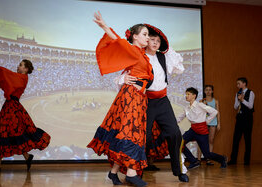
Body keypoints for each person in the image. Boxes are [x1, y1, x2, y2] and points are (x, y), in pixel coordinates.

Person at [87, 12, 152, 186]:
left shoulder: (142, 54)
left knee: (127, 134)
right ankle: (131, 173)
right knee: (131, 133)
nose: (148, 37)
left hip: (137, 99)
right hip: (131, 98)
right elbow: (117, 40)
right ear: (135, 37)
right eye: (144, 34)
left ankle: (113, 172)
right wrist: (104, 26)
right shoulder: (133, 49)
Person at [118, 24, 188, 182]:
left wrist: (168, 49)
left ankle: (179, 170)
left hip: (163, 101)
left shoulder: (164, 57)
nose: (155, 42)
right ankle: (136, 173)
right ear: (145, 41)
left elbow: (180, 68)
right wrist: (124, 79)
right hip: (145, 101)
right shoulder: (138, 56)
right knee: (143, 138)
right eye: (151, 39)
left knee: (175, 133)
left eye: (158, 40)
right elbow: (121, 76)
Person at [0, 60, 51, 173]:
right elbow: (8, 75)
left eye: (21, 65)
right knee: (9, 134)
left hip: (12, 108)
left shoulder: (22, 78)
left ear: (26, 69)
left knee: (3, 132)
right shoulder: (20, 77)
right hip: (10, 107)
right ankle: (23, 158)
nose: (18, 66)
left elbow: (8, 74)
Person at [177, 87, 227, 169]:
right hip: (192, 130)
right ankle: (194, 161)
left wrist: (206, 121)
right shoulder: (186, 108)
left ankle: (222, 159)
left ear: (194, 96)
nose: (186, 96)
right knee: (180, 143)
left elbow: (214, 112)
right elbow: (179, 118)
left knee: (207, 154)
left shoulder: (200, 105)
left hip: (202, 131)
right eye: (186, 94)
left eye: (188, 94)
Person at [228, 77, 255, 165]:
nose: (237, 85)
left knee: (247, 139)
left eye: (239, 83)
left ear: (244, 83)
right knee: (236, 139)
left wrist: (243, 100)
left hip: (247, 118)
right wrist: (238, 100)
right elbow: (235, 107)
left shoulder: (251, 93)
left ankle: (247, 161)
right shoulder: (237, 93)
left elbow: (250, 106)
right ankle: (233, 160)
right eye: (237, 84)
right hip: (239, 118)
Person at [198, 85, 221, 165]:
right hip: (203, 122)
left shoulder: (216, 101)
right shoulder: (201, 101)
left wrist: (219, 123)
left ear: (212, 91)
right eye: (206, 90)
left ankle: (208, 159)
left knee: (210, 140)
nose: (208, 91)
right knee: (201, 141)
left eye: (209, 90)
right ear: (204, 91)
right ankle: (198, 159)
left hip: (213, 122)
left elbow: (218, 112)